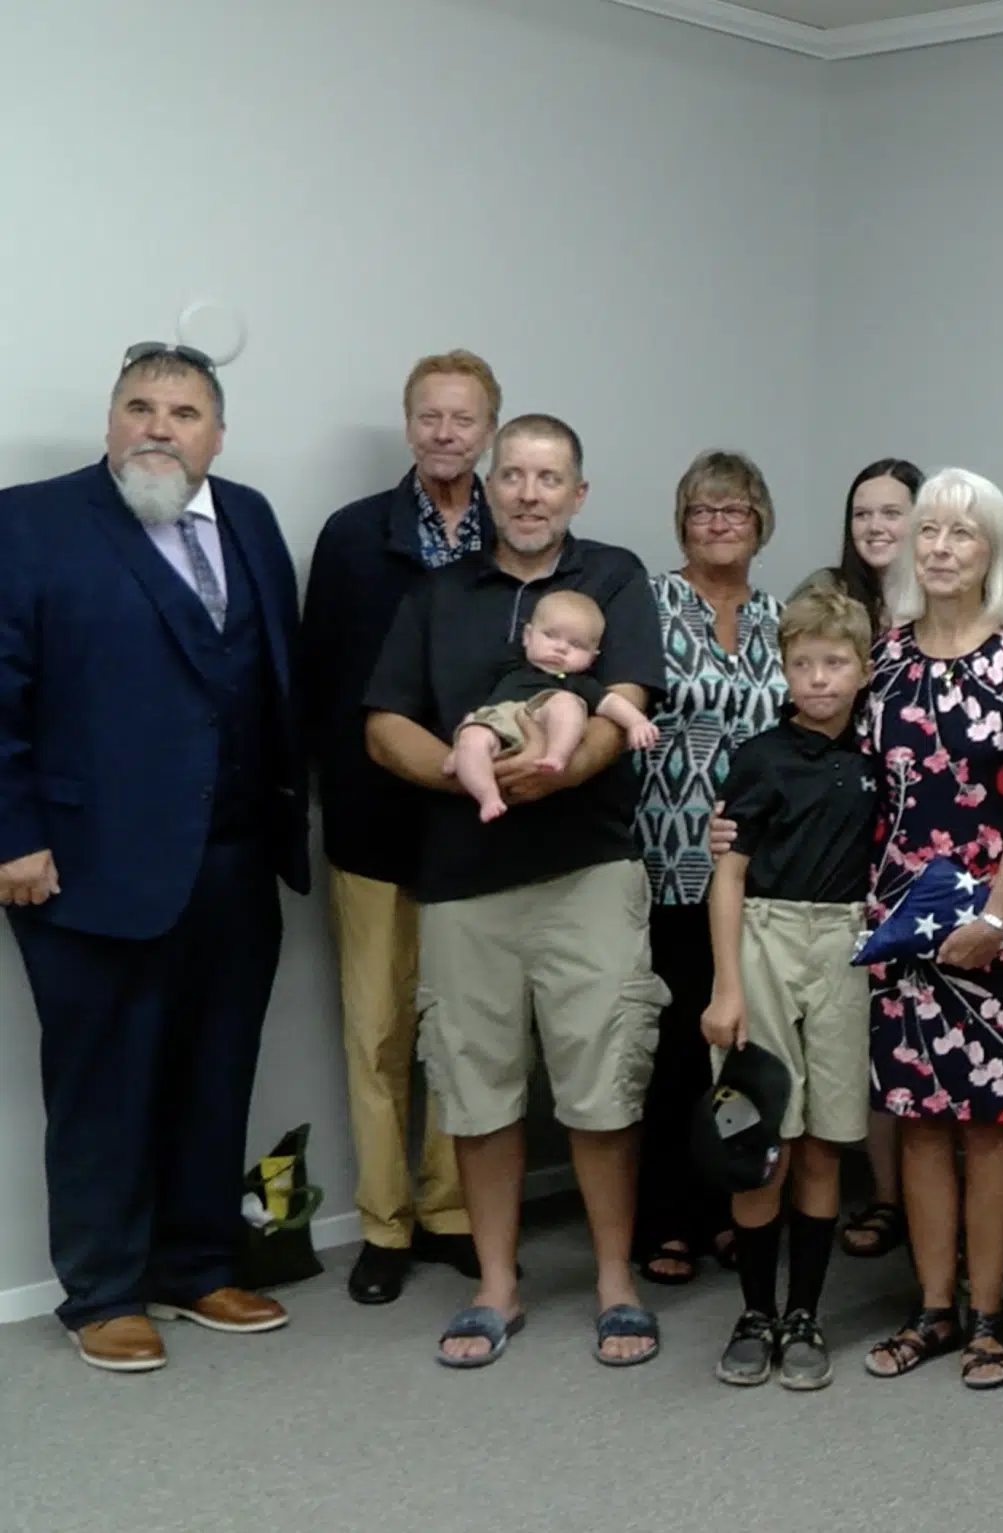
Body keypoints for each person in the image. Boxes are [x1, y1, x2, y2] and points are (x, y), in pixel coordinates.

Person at [0, 342, 310, 1371]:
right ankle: (103, 1291)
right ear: (108, 421)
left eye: (183, 411)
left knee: (215, 1070)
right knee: (103, 1083)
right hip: (84, 862)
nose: (157, 427)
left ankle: (194, 1263)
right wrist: (14, 834)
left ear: (215, 435)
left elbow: (273, 680)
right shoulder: (31, 521)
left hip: (232, 857)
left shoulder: (253, 520)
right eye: (138, 406)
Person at [363, 414, 672, 1370]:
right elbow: (385, 726)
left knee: (603, 1082)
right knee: (477, 1087)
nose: (530, 492)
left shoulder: (614, 576)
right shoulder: (437, 594)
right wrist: (467, 777)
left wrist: (558, 770)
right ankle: (497, 1284)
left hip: (589, 872)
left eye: (551, 478)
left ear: (578, 493)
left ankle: (616, 1282)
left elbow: (630, 704)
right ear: (489, 488)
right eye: (515, 476)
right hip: (465, 881)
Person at [853, 467, 1003, 1391]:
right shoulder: (886, 659)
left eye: (964, 534)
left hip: (999, 936)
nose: (941, 547)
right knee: (916, 1128)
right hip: (903, 935)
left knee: (988, 1128)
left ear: (994, 554)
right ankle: (933, 1309)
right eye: (929, 531)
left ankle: (989, 1315)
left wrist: (993, 916)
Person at [298, 349, 500, 1305]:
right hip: (374, 820)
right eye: (430, 416)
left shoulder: (519, 538)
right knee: (376, 1032)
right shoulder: (350, 538)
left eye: (464, 418)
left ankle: (453, 1208)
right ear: (410, 424)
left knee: (461, 1033)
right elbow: (320, 678)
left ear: (488, 431)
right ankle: (384, 1222)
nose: (446, 432)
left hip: (483, 827)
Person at [698, 584, 879, 1393]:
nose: (818, 679)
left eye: (835, 662)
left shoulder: (877, 761)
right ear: (784, 668)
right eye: (801, 663)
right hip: (764, 941)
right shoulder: (760, 757)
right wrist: (727, 986)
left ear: (863, 669)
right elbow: (727, 873)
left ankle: (804, 1311)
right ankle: (754, 1311)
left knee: (823, 1140)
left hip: (845, 943)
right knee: (758, 1140)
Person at [632, 451, 788, 1287]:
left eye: (735, 509)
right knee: (675, 1052)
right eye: (703, 510)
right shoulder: (650, 606)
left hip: (761, 870)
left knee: (746, 1054)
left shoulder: (779, 615)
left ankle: (734, 1207)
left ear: (761, 521)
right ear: (682, 522)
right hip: (669, 859)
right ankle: (666, 1219)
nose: (720, 523)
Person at [804, 457, 923, 1263]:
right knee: (876, 1028)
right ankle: (885, 1197)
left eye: (893, 513)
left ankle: (936, 1199)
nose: (876, 528)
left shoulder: (947, 605)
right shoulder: (828, 603)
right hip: (848, 832)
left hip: (925, 836)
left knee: (927, 1026)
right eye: (862, 516)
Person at [443, 589, 658, 820]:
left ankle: (557, 756)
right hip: (502, 721)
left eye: (576, 644)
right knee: (473, 736)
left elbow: (612, 702)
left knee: (566, 703)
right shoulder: (509, 667)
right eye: (550, 635)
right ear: (527, 636)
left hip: (545, 718)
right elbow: (481, 701)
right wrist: (470, 728)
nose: (560, 647)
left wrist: (636, 721)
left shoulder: (579, 684)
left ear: (592, 658)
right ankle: (487, 795)